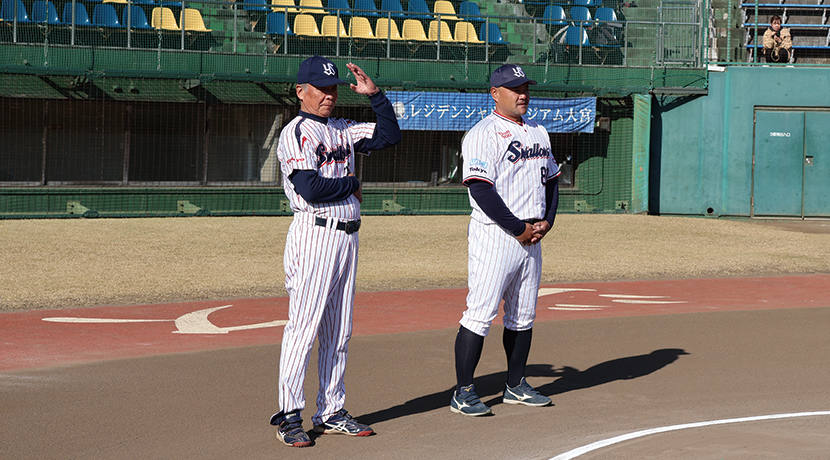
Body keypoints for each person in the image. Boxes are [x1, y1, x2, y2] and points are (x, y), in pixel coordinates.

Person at [269, 56, 402, 447]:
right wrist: (351, 183)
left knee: (339, 331)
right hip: (315, 235)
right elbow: (310, 188)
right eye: (322, 89)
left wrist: (375, 96)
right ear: (301, 91)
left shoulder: (343, 128)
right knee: (304, 328)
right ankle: (289, 415)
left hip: (347, 239)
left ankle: (330, 411)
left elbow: (390, 135)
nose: (329, 96)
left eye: (333, 89)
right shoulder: (296, 133)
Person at [451, 64, 560, 416]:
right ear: (495, 93)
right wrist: (518, 228)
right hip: (496, 235)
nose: (523, 94)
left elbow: (552, 181)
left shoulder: (538, 131)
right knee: (480, 314)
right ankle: (463, 392)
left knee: (523, 315)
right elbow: (481, 189)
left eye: (525, 87)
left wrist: (547, 222)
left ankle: (516, 385)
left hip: (532, 236)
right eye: (515, 88)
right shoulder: (483, 133)